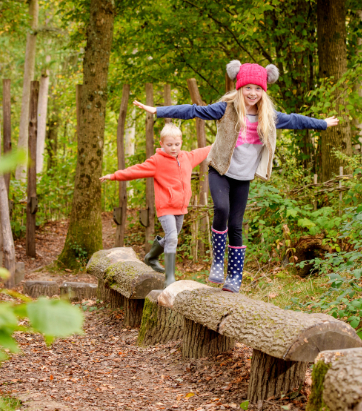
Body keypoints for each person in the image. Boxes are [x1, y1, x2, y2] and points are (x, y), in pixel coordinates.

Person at [133, 60, 338, 293]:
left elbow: (295, 120)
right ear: (240, 88)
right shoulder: (226, 109)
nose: (253, 93)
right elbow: (193, 111)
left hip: (243, 177)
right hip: (220, 170)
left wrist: (321, 123)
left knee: (236, 225)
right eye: (248, 88)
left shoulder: (268, 116)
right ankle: (218, 264)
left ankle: (234, 277)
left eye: (258, 88)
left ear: (264, 91)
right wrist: (158, 111)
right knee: (221, 208)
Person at [100, 123, 211, 287]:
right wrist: (114, 176)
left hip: (181, 208)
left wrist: (226, 140)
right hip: (165, 207)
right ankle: (170, 278)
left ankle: (151, 257)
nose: (173, 148)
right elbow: (135, 170)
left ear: (181, 142)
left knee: (171, 237)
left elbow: (205, 150)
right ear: (162, 144)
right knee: (173, 237)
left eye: (176, 144)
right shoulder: (157, 161)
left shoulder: (187, 157)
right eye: (169, 145)